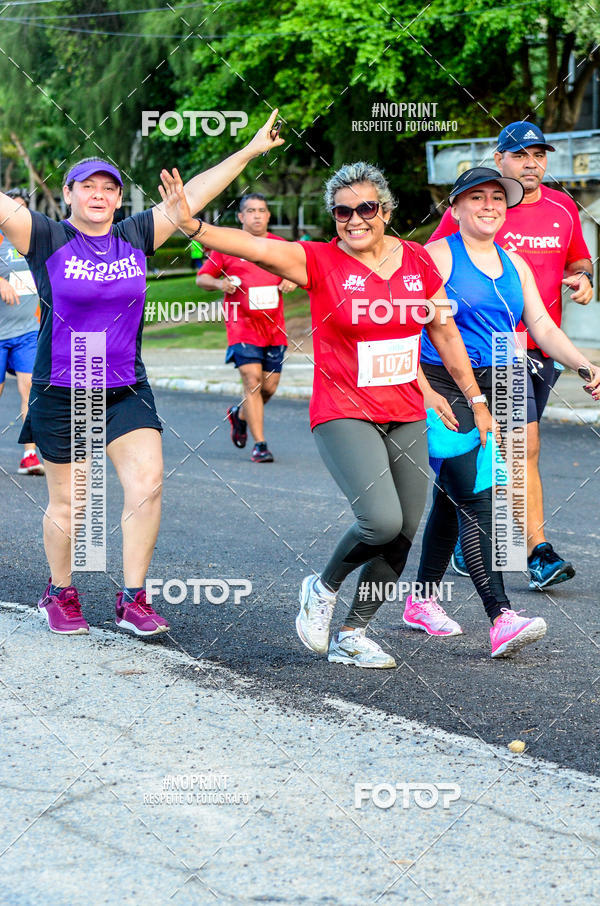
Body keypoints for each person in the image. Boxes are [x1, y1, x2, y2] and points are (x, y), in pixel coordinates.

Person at [174, 160, 495, 668]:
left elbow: (444, 333)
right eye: (342, 212)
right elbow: (255, 247)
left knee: (406, 528)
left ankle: (354, 632)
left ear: (386, 211)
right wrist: (193, 226)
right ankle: (321, 590)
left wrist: (475, 400)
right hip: (343, 409)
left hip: (407, 410)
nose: (354, 219)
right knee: (380, 520)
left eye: (366, 208)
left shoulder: (417, 261)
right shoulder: (320, 262)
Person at [0, 110, 283, 636]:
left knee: (148, 485)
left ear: (118, 198)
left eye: (109, 186)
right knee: (72, 500)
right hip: (63, 386)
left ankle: (133, 598)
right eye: (88, 186)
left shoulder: (135, 234)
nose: (100, 194)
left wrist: (247, 151)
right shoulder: (44, 237)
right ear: (68, 195)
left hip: (125, 384)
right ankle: (59, 591)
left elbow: (191, 196)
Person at [400, 167, 598, 657]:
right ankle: (500, 615)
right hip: (448, 384)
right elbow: (403, 330)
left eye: (497, 198)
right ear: (457, 207)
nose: (489, 206)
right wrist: (425, 390)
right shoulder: (436, 257)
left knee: (456, 494)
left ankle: (421, 600)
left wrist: (583, 364)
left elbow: (542, 325)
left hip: (507, 379)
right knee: (479, 495)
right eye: (477, 198)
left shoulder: (515, 264)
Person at [430, 122, 593, 590]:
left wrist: (584, 279)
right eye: (521, 155)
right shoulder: (470, 216)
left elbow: (578, 262)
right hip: (466, 354)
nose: (532, 163)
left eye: (539, 155)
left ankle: (522, 547)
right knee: (496, 447)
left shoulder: (562, 208)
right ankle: (496, 537)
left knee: (520, 446)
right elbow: (430, 266)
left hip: (536, 347)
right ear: (499, 157)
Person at [196, 193, 295, 463]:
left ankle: (239, 415)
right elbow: (202, 277)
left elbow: (300, 272)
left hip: (274, 328)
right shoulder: (228, 246)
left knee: (269, 387)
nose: (257, 215)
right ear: (241, 216)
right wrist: (220, 284)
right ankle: (260, 445)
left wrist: (291, 281)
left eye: (262, 210)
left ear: (268, 215)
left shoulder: (281, 246)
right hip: (241, 327)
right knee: (252, 381)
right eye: (251, 210)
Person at [0, 187, 44, 475]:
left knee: (30, 389)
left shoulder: (35, 241)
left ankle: (30, 454)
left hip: (28, 331)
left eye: (21, 210)